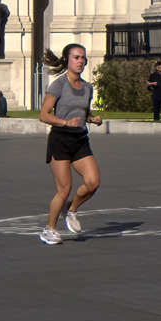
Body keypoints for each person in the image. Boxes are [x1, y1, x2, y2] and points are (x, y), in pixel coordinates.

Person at [38, 43, 102, 245]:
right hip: (61, 139)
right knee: (64, 189)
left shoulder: (87, 87)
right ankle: (49, 230)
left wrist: (92, 119)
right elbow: (44, 115)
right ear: (67, 59)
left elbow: (82, 113)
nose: (80, 61)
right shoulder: (59, 85)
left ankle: (71, 210)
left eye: (83, 58)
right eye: (76, 57)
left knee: (93, 183)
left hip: (80, 139)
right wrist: (65, 122)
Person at [147, 58, 161, 122]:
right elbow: (148, 83)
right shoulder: (153, 75)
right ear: (156, 67)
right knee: (156, 107)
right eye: (159, 67)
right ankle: (156, 118)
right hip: (156, 93)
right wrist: (152, 84)